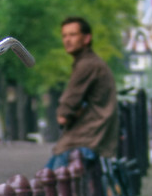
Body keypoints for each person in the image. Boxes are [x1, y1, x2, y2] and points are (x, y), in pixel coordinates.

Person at [47, 17, 119, 169]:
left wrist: (68, 113)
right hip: (95, 138)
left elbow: (63, 115)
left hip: (84, 140)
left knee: (46, 184)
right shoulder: (92, 62)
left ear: (87, 38)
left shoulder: (87, 65)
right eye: (64, 35)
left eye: (73, 35)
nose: (67, 40)